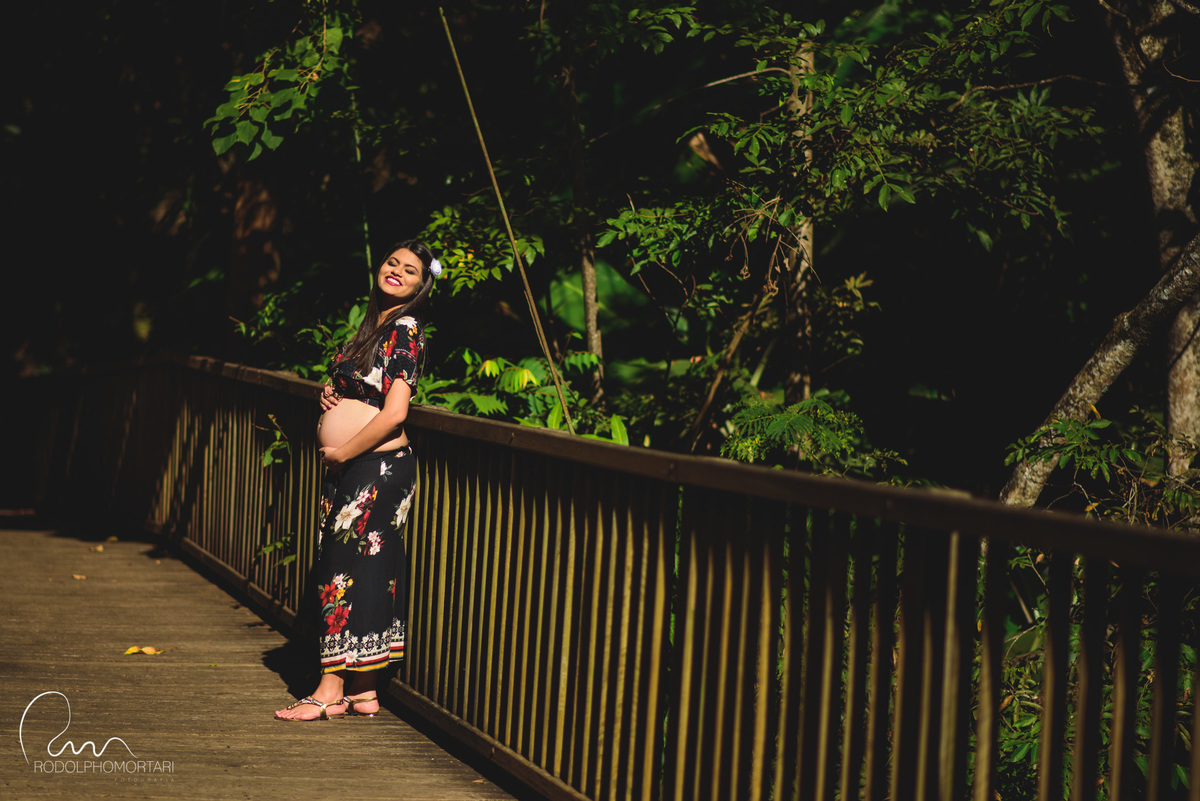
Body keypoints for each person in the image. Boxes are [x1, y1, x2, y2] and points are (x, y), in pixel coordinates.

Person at [275, 240, 440, 721]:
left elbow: (395, 412)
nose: (397, 271)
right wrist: (330, 393)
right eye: (392, 262)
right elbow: (363, 388)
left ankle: (329, 690)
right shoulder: (373, 326)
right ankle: (364, 690)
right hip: (359, 467)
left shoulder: (405, 328)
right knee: (368, 572)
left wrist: (342, 452)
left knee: (338, 572)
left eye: (410, 270)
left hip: (376, 468)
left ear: (421, 285)